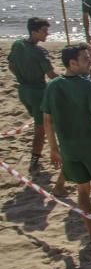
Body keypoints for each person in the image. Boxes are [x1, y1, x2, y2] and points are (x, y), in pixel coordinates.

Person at [41, 44, 91, 244]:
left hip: (69, 148)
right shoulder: (87, 85)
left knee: (83, 190)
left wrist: (53, 148)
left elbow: (47, 121)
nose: (90, 61)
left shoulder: (52, 85)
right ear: (72, 63)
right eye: (86, 59)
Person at [7, 18, 66, 194]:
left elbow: (11, 65)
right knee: (42, 127)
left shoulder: (17, 44)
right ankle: (35, 159)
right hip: (38, 91)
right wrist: (67, 82)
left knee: (41, 123)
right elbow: (50, 74)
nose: (47, 34)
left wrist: (22, 78)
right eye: (43, 31)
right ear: (34, 32)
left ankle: (41, 156)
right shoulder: (39, 52)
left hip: (23, 90)